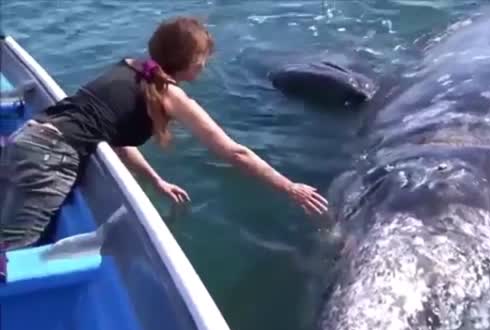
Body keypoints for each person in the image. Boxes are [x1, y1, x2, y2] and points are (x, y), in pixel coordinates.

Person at [0, 16, 329, 252]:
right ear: (188, 61)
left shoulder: (129, 67)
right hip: (49, 161)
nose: (204, 66)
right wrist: (289, 187)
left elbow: (113, 138)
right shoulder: (171, 96)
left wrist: (155, 180)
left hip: (26, 139)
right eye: (202, 59)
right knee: (11, 256)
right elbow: (234, 152)